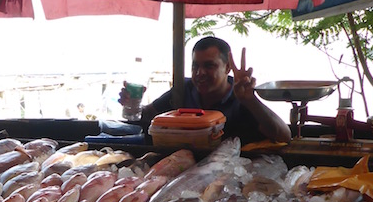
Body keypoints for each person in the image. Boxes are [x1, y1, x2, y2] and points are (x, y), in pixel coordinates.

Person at [119, 36, 291, 145]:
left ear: (228, 67)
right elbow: (147, 115)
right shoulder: (182, 90)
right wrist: (132, 105)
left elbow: (284, 135)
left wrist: (250, 100)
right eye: (195, 66)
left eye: (209, 66)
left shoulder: (241, 98)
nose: (200, 73)